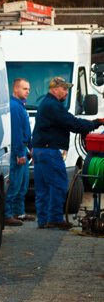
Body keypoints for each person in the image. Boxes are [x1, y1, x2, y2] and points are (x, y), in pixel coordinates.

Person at [31, 77, 103, 230]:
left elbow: (67, 121)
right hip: (50, 150)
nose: (66, 92)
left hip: (40, 150)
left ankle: (43, 220)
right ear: (54, 89)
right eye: (64, 89)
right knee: (59, 184)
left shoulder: (45, 103)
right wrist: (94, 123)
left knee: (43, 188)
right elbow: (71, 123)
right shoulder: (53, 106)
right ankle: (55, 218)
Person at [6, 78, 34, 226]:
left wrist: (30, 147)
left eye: (28, 89)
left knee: (22, 184)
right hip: (17, 149)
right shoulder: (14, 107)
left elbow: (25, 129)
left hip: (23, 147)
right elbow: (15, 132)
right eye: (25, 89)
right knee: (14, 183)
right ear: (15, 89)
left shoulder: (21, 106)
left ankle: (19, 213)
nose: (28, 91)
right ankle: (7, 214)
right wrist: (20, 153)